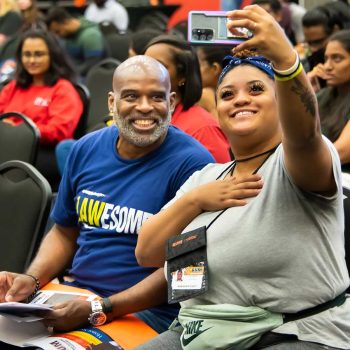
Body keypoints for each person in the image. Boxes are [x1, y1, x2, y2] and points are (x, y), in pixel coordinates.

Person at [136, 4, 350, 350]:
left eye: (255, 89)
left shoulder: (296, 161)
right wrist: (196, 200)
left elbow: (304, 133)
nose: (240, 100)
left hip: (294, 333)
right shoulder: (205, 176)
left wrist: (284, 59)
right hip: (201, 329)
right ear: (217, 111)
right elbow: (146, 253)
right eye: (227, 94)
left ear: (280, 101)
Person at [0, 55, 215, 339]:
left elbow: (186, 273)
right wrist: (33, 279)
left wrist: (100, 308)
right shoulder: (86, 149)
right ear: (112, 103)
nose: (144, 107)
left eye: (156, 97)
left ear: (172, 102)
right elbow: (65, 232)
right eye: (131, 96)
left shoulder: (194, 164)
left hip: (149, 314)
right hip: (75, 294)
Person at [144, 35, 231, 163]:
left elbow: (222, 179)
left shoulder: (203, 129)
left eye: (158, 66)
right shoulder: (137, 118)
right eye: (142, 65)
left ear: (182, 76)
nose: (144, 72)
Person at [316, 29, 350, 171]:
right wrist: (305, 90)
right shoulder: (323, 95)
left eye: (337, 58)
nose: (328, 66)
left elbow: (340, 153)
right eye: (326, 59)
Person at [46, 7, 105, 77]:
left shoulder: (91, 35)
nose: (58, 36)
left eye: (58, 31)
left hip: (90, 77)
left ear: (66, 22)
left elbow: (92, 65)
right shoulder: (67, 36)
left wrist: (68, 74)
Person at [196, 45, 232, 120]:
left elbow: (221, 130)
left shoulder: (204, 95)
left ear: (215, 68)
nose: (194, 71)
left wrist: (211, 107)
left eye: (197, 65)